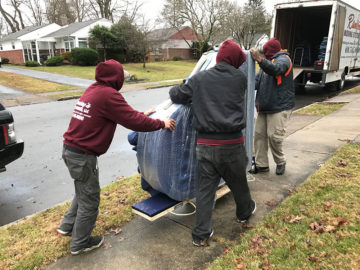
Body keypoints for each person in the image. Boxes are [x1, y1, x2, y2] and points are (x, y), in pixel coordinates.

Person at [58, 59, 176, 255]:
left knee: (83, 190)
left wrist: (142, 114)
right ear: (117, 77)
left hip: (71, 150)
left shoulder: (95, 89)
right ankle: (80, 243)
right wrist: (161, 124)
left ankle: (66, 226)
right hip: (82, 156)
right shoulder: (108, 95)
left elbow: (122, 114)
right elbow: (132, 121)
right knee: (90, 200)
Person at [169, 40, 256, 247]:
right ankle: (244, 213)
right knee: (238, 183)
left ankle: (201, 234)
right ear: (234, 61)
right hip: (233, 144)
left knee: (205, 191)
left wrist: (189, 88)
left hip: (206, 146)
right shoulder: (240, 79)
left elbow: (176, 95)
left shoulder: (199, 79)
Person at [249, 38, 295, 175]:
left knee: (274, 136)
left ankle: (280, 161)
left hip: (279, 106)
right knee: (259, 136)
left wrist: (260, 60)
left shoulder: (284, 60)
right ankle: (261, 165)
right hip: (264, 106)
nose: (264, 53)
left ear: (272, 51)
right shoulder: (266, 64)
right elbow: (255, 82)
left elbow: (276, 70)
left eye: (266, 51)